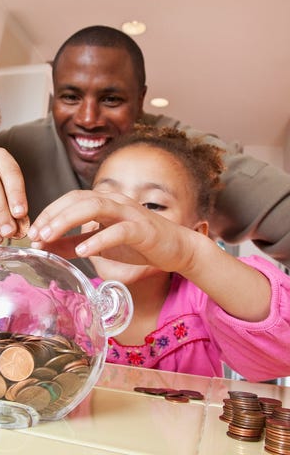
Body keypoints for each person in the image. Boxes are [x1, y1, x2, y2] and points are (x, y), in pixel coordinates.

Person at [0, 25, 290, 275]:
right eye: (71, 97)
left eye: (112, 99)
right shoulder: (11, 150)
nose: (88, 119)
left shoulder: (188, 158)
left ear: (141, 100)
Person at [25, 126, 290, 382]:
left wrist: (192, 255)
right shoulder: (66, 305)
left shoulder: (201, 304)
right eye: (107, 200)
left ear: (195, 233)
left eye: (152, 205)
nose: (124, 218)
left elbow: (281, 348)